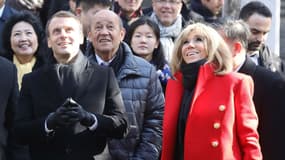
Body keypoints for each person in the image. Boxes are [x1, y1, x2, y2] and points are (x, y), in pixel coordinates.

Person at [13, 11, 128, 160]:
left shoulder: (104, 75)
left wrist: (91, 119)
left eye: (69, 30)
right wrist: (49, 122)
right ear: (48, 41)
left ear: (81, 37)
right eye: (56, 31)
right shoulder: (32, 80)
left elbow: (122, 126)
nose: (63, 35)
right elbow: (19, 132)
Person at [161, 23, 262, 160]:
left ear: (214, 47)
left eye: (199, 40)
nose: (190, 45)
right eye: (185, 42)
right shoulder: (175, 86)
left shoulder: (236, 82)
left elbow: (249, 138)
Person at [88, 10, 164, 159]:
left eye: (110, 27)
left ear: (122, 34)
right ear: (89, 35)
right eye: (98, 27)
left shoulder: (146, 71)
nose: (104, 32)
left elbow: (155, 121)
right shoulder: (75, 71)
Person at [219, 20, 285, 160]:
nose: (211, 54)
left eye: (218, 48)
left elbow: (275, 142)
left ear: (236, 48)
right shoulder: (212, 79)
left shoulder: (271, 83)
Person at [1, 11, 46, 89]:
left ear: (38, 37)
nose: (23, 39)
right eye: (17, 34)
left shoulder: (48, 67)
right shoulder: (2, 66)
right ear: (9, 39)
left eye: (28, 33)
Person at [125, 16, 171, 92]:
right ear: (130, 41)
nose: (143, 40)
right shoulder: (121, 68)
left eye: (149, 36)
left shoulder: (166, 73)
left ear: (156, 43)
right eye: (138, 36)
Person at [239, 1, 284, 73]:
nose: (260, 39)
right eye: (255, 32)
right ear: (240, 26)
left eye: (265, 33)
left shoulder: (276, 64)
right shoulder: (222, 59)